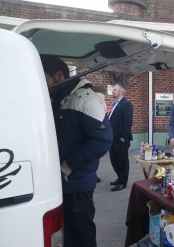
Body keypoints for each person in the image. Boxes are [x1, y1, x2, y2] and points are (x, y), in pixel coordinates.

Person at [41, 55, 113, 247]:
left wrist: (68, 165)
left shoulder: (86, 100)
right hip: (62, 182)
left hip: (77, 183)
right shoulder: (60, 98)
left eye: (45, 79)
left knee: (81, 235)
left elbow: (103, 140)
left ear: (58, 75)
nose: (43, 84)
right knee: (67, 235)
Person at [108, 83, 133, 191]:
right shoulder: (115, 104)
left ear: (121, 92)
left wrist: (123, 138)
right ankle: (119, 178)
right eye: (113, 90)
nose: (113, 91)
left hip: (120, 139)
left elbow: (128, 123)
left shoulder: (126, 104)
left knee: (122, 160)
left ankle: (123, 182)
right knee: (114, 160)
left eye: (115, 90)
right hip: (113, 138)